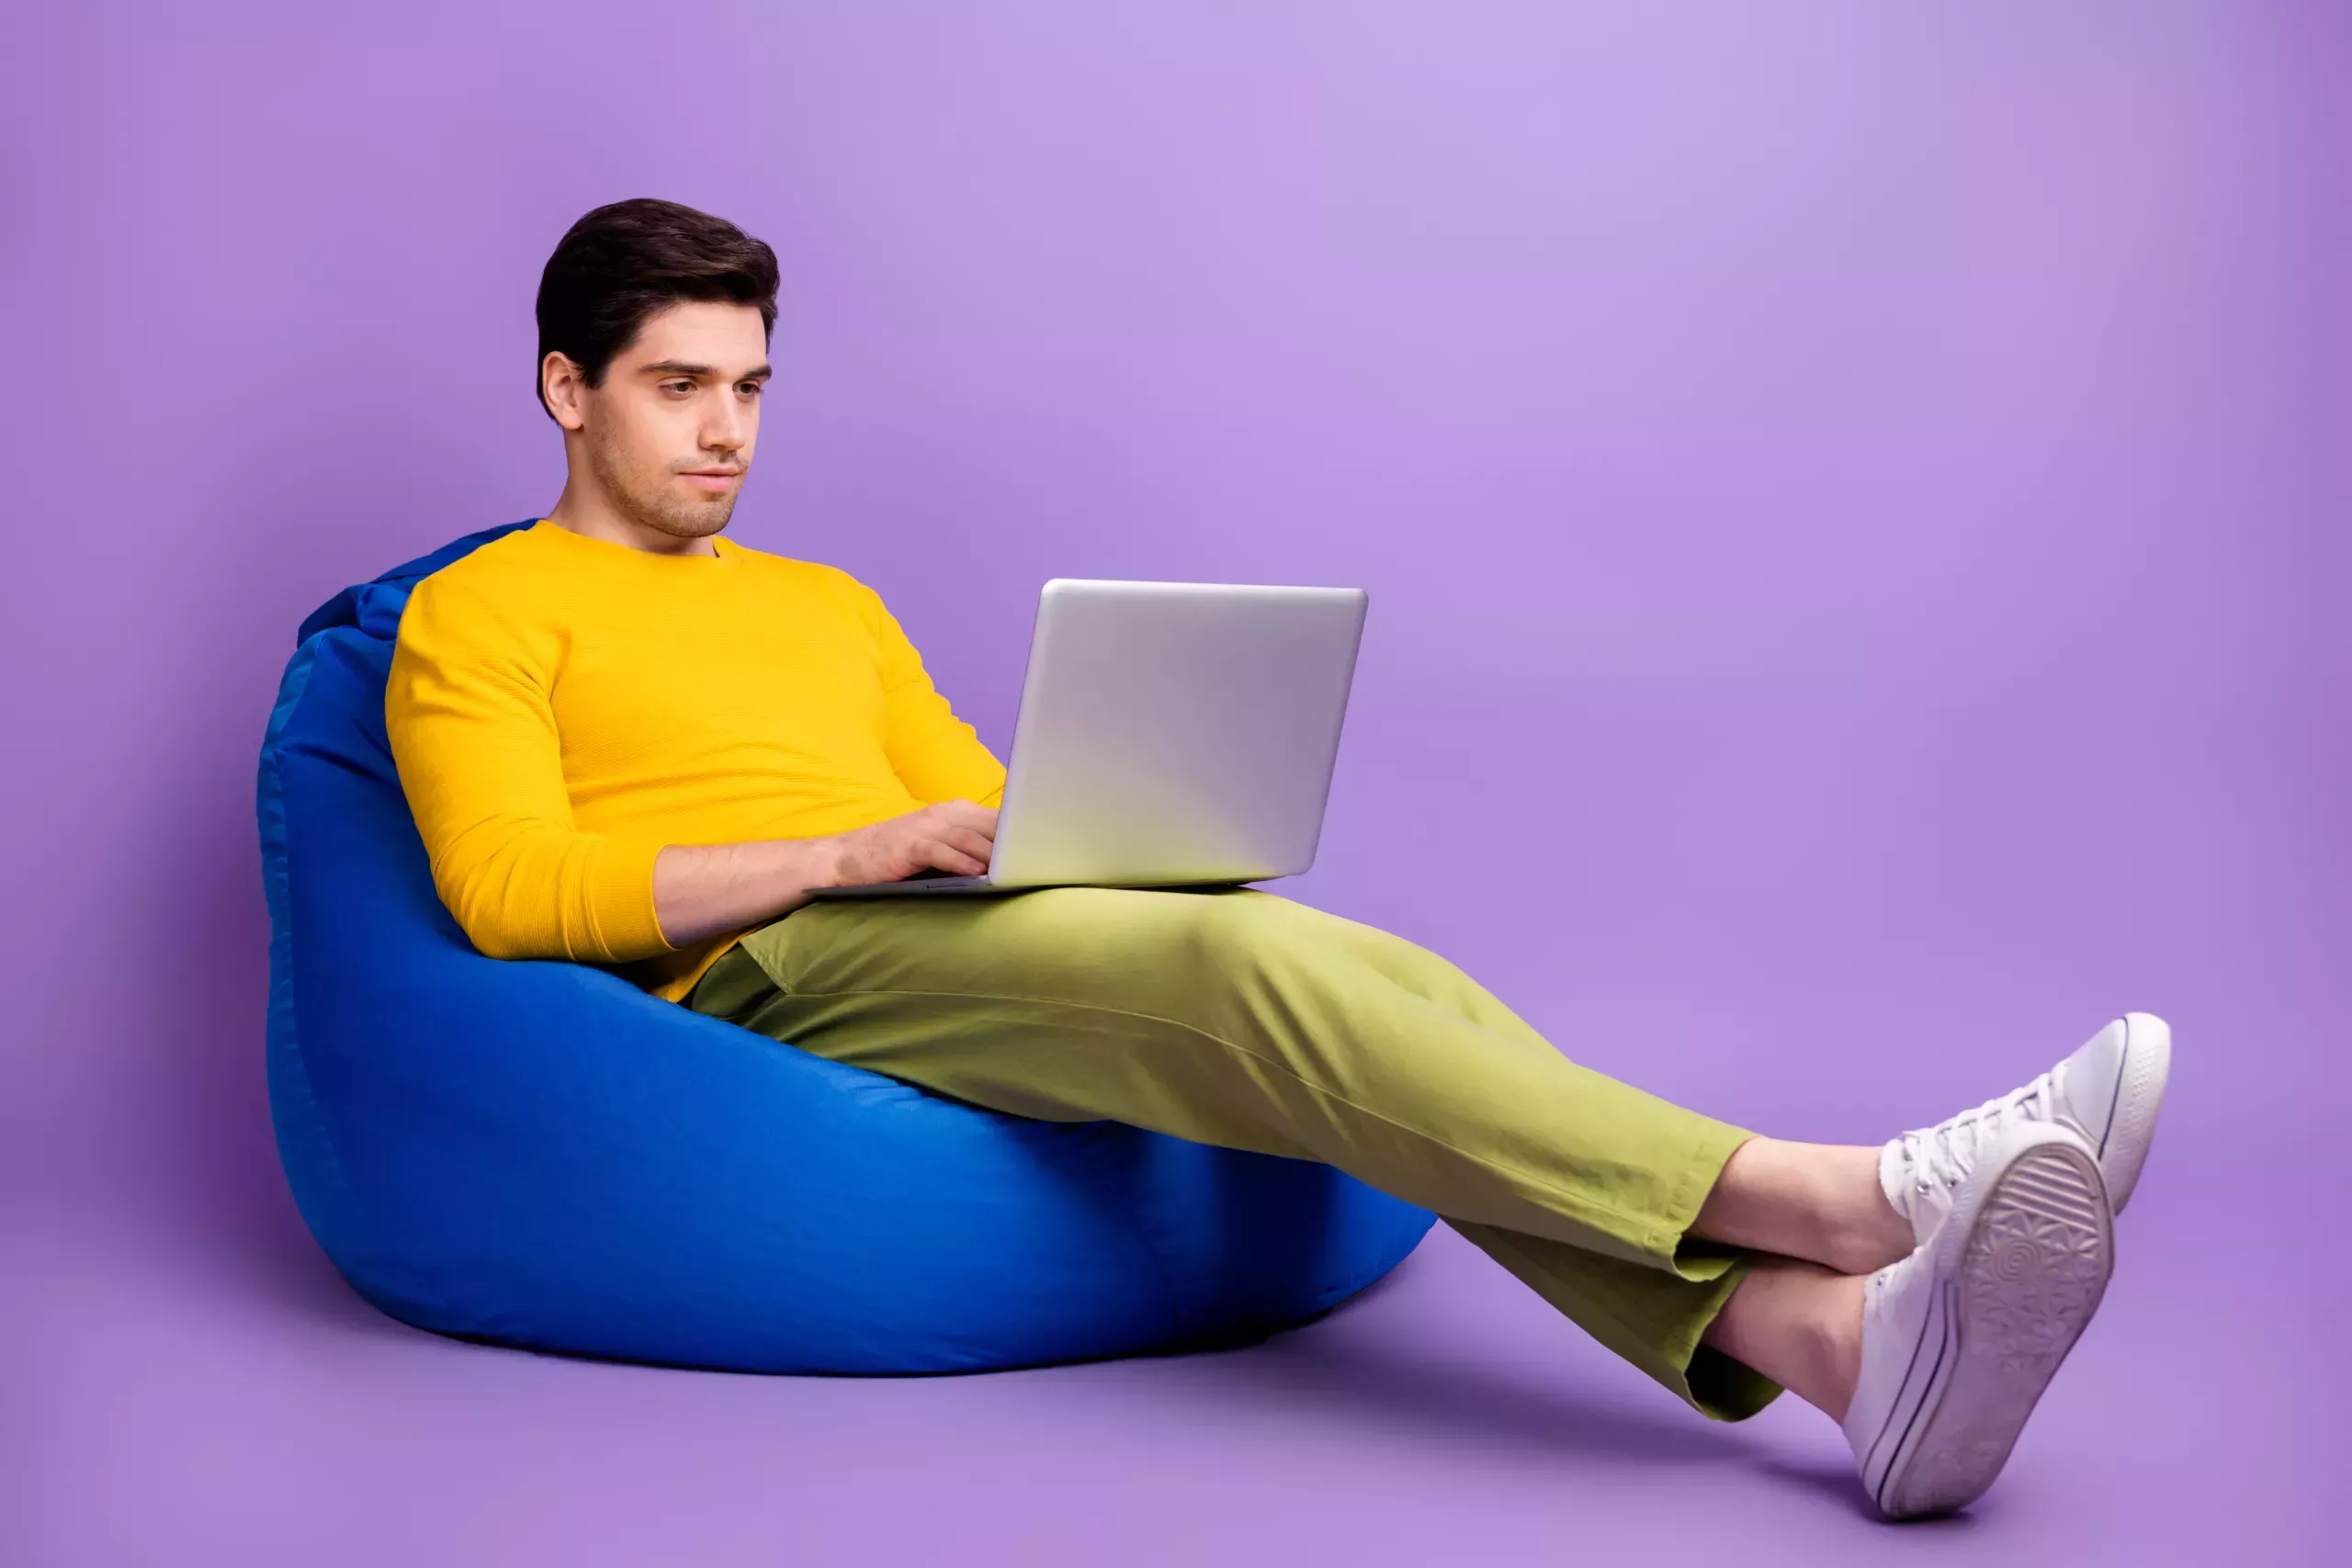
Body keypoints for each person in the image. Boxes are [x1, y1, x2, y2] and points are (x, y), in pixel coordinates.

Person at [385, 198, 2170, 1520]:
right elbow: (508, 892)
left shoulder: (819, 604)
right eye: (679, 384)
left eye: (753, 386)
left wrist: (1095, 833)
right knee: (1232, 980)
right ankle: (1854, 1198)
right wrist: (840, 848)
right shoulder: (476, 613)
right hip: (756, 974)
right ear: (565, 386)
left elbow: (977, 800)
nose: (725, 432)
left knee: (1391, 983)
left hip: (911, 925)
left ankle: (1840, 1358)